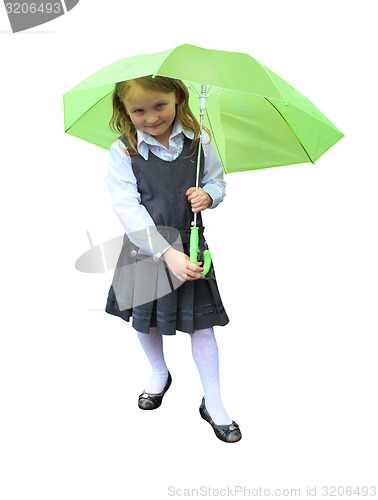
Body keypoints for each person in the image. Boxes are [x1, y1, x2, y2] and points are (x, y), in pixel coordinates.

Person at [105, 75, 241, 443]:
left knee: (202, 325)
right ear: (125, 111)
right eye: (139, 110)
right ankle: (158, 373)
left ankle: (213, 401)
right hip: (146, 247)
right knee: (146, 320)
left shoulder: (200, 142)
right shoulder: (123, 151)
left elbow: (218, 181)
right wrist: (166, 253)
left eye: (160, 106)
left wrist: (209, 196)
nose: (151, 117)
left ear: (178, 98)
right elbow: (126, 207)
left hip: (190, 243)